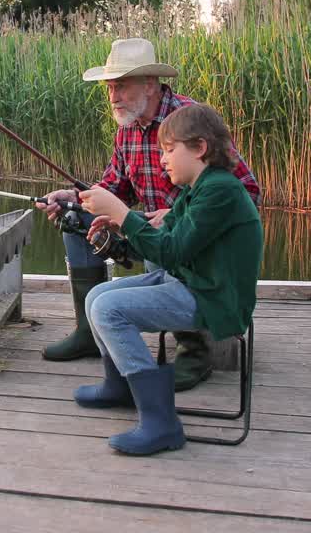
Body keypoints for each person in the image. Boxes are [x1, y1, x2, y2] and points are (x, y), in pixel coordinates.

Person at [36, 38, 260, 393]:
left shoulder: (190, 124)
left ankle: (194, 350)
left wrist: (178, 213)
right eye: (110, 88)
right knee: (75, 217)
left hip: (188, 244)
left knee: (164, 248)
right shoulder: (126, 130)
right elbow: (115, 185)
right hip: (152, 232)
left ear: (150, 84)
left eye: (121, 86)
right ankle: (88, 331)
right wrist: (74, 197)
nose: (113, 97)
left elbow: (247, 191)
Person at [74, 103, 264, 454]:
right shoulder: (199, 189)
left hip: (215, 298)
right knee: (96, 296)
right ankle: (119, 387)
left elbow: (173, 251)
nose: (163, 159)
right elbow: (166, 233)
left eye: (169, 149)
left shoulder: (221, 190)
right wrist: (123, 224)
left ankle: (162, 423)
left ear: (200, 148)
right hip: (194, 283)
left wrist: (119, 210)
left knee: (109, 310)